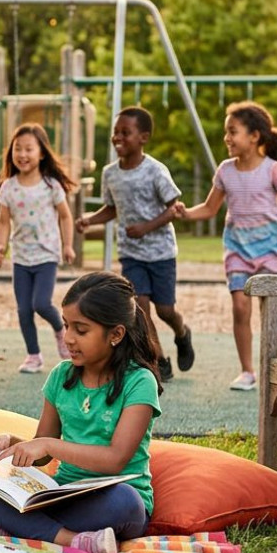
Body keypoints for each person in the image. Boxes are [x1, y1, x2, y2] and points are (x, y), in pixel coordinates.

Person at [0, 272, 163, 553]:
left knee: (126, 502)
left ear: (116, 334)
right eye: (66, 325)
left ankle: (8, 527)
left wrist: (50, 446)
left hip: (113, 500)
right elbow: (42, 452)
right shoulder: (61, 376)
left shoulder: (139, 381)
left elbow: (116, 459)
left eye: (81, 330)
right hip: (60, 495)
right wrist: (12, 443)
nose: (68, 338)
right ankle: (69, 539)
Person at [174, 101, 277, 391]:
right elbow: (209, 208)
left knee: (270, 308)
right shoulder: (225, 171)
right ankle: (247, 371)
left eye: (233, 132)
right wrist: (186, 214)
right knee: (239, 306)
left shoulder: (272, 170)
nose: (227, 138)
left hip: (270, 248)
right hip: (237, 250)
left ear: (254, 136)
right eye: (227, 132)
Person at [76, 107, 192, 381]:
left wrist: (146, 227)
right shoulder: (110, 173)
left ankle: (182, 332)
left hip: (161, 253)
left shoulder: (155, 171)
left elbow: (174, 209)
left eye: (125, 132)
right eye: (115, 132)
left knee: (165, 310)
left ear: (143, 138)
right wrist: (89, 220)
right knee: (140, 306)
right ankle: (158, 359)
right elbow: (112, 208)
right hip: (131, 254)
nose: (118, 137)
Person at [0, 123, 78, 374]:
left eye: (29, 149)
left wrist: (68, 245)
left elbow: (65, 216)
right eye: (17, 149)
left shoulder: (51, 186)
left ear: (41, 153)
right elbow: (3, 221)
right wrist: (1, 246)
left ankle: (60, 329)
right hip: (21, 257)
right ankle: (33, 355)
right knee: (23, 310)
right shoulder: (8, 187)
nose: (22, 154)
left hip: (46, 255)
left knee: (41, 303)